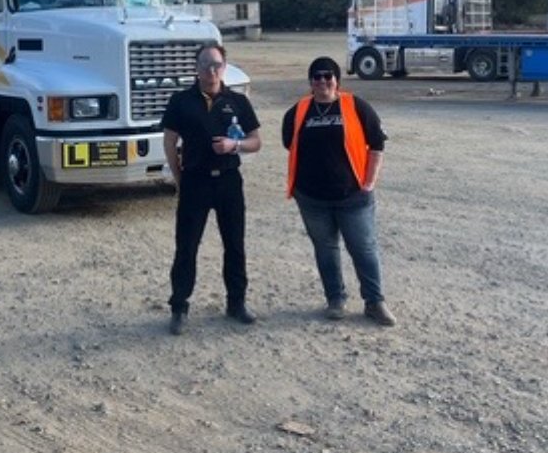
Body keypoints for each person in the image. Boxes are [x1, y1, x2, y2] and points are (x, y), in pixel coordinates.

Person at [282, 56, 396, 326]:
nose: (323, 81)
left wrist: (369, 181)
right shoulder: (297, 111)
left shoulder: (356, 106)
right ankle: (335, 299)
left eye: (328, 76)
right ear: (310, 82)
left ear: (337, 80)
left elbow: (377, 144)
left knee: (363, 249)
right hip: (311, 198)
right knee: (326, 249)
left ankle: (374, 302)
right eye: (317, 77)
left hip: (353, 197)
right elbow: (290, 144)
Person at [161, 43, 262, 335]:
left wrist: (236, 145)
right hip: (195, 181)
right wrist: (179, 179)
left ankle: (237, 302)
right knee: (187, 246)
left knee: (235, 245)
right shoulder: (181, 101)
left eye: (216, 64)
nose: (211, 70)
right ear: (197, 68)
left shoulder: (238, 102)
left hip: (229, 181)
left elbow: (256, 140)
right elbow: (169, 142)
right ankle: (179, 306)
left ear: (224, 67)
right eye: (205, 64)